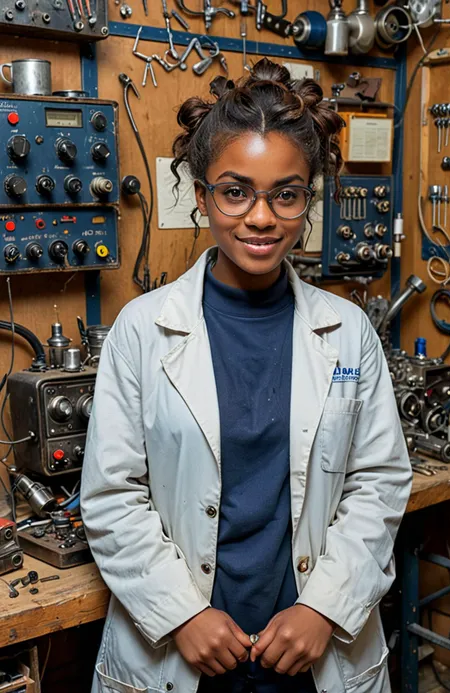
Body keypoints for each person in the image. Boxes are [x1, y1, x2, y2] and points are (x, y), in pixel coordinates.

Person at [81, 58, 412, 693]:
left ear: (307, 199)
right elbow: (112, 494)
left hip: (313, 652)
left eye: (286, 194)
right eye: (235, 191)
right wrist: (182, 615)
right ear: (202, 194)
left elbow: (378, 483)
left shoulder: (347, 331)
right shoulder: (141, 329)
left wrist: (325, 607)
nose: (261, 217)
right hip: (186, 652)